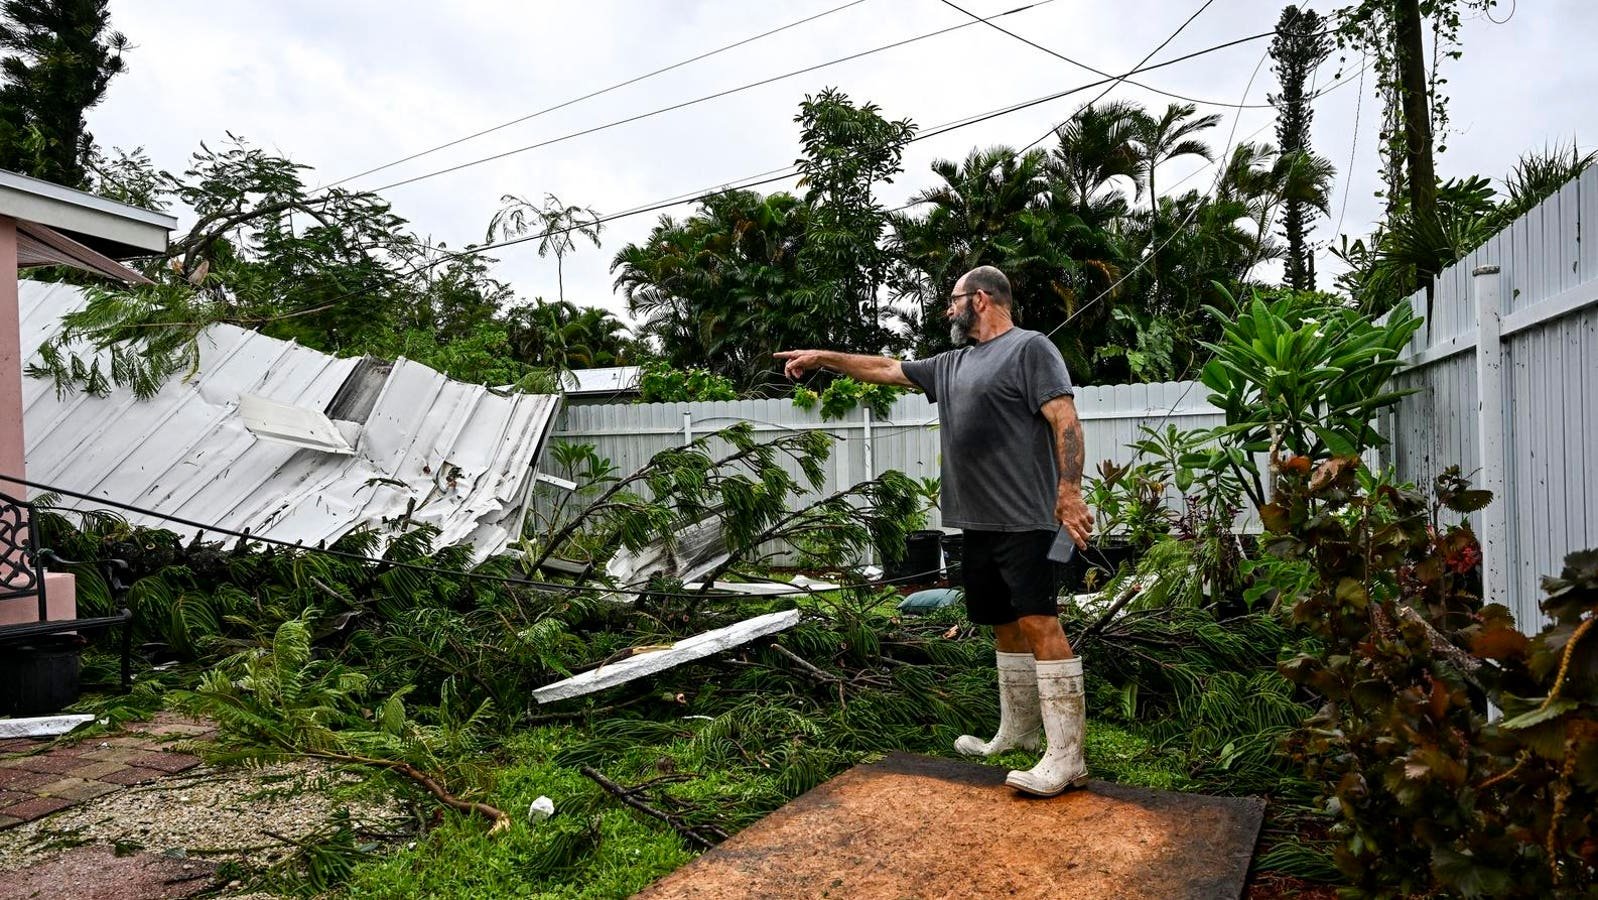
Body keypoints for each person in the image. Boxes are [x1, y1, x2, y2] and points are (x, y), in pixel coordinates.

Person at [775, 265, 1093, 796]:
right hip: (977, 522)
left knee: (1040, 623)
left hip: (1027, 520)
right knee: (1003, 624)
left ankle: (1068, 756)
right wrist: (823, 357)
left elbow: (1065, 419)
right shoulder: (951, 364)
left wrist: (1070, 491)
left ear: (983, 299)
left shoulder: (1030, 349)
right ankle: (1016, 733)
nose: (948, 309)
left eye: (954, 300)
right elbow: (882, 367)